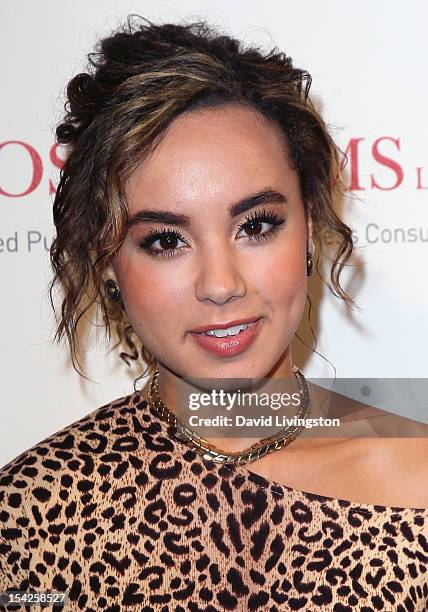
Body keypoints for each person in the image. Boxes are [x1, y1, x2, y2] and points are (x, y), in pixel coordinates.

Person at [1, 15, 427, 612]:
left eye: (256, 226)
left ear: (309, 225)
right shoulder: (32, 513)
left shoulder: (419, 485)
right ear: (105, 260)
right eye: (165, 241)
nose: (221, 286)